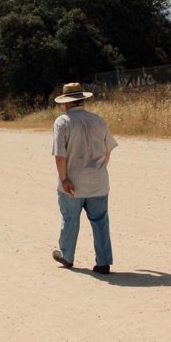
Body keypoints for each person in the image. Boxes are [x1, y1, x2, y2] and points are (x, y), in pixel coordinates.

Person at [51, 82, 118, 274]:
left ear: (66, 103)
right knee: (100, 220)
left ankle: (67, 255)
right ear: (82, 99)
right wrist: (98, 170)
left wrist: (64, 179)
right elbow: (108, 151)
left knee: (70, 218)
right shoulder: (98, 120)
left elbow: (60, 154)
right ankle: (104, 261)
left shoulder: (62, 122)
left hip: (74, 181)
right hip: (98, 180)